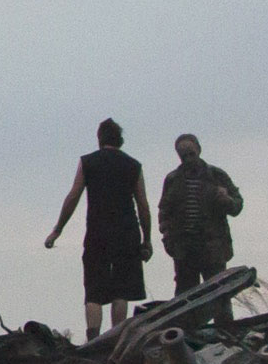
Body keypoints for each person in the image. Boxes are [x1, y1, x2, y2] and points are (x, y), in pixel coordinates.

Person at [41, 121, 150, 338]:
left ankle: (94, 339)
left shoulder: (87, 162)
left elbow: (73, 196)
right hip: (127, 232)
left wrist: (57, 230)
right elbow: (143, 205)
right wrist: (147, 240)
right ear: (120, 139)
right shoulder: (133, 165)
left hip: (97, 232)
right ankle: (118, 338)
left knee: (94, 290)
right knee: (121, 291)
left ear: (100, 138)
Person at [159, 135, 243, 290]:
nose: (189, 159)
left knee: (219, 294)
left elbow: (237, 206)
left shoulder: (217, 176)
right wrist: (168, 238)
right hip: (184, 251)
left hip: (213, 248)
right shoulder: (172, 180)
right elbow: (164, 211)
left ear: (198, 150)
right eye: (184, 156)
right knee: (185, 299)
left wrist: (226, 200)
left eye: (192, 154)